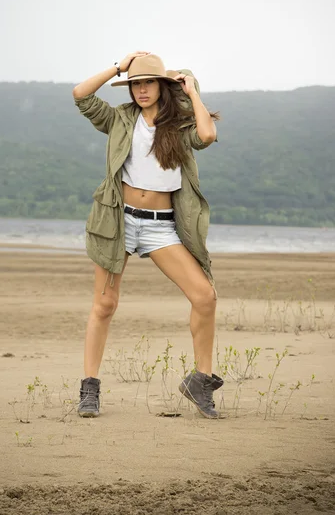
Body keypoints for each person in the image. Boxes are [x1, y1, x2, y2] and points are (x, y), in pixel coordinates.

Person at [72, 52, 223, 419]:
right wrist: (118, 67)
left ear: (163, 86)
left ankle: (201, 380)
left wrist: (192, 91)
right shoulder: (120, 119)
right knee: (105, 305)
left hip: (161, 226)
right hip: (118, 221)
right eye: (135, 83)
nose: (141, 89)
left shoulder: (181, 125)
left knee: (205, 297)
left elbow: (208, 134)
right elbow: (81, 95)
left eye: (148, 82)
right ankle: (89, 388)